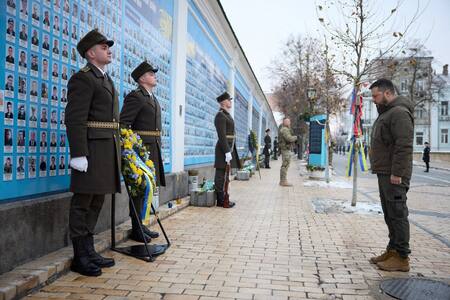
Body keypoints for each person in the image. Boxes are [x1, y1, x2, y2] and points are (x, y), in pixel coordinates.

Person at [65, 29, 119, 276]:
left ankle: (88, 250)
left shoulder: (106, 79)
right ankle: (79, 255)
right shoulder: (83, 78)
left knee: (96, 200)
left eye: (108, 46)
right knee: (82, 202)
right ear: (90, 53)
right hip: (90, 150)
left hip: (105, 150)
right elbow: (75, 118)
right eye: (103, 46)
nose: (108, 49)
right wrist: (78, 153)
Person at [369, 78, 414, 272]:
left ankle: (402, 257)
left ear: (388, 93)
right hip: (385, 172)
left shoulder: (399, 113)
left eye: (376, 95)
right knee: (389, 213)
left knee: (397, 213)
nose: (373, 99)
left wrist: (397, 172)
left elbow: (403, 146)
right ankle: (392, 250)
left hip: (394, 174)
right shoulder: (388, 113)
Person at [120, 61, 165, 243]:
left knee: (146, 189)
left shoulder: (152, 98)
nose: (154, 75)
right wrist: (131, 149)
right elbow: (123, 124)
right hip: (141, 151)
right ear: (142, 78)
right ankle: (136, 228)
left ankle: (141, 225)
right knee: (138, 188)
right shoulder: (136, 97)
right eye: (150, 73)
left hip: (152, 148)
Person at [213, 92, 241, 208]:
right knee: (220, 174)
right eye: (229, 100)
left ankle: (224, 197)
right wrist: (227, 151)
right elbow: (222, 135)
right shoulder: (220, 116)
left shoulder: (226, 115)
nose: (230, 102)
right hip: (223, 149)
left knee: (225, 174)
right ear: (223, 102)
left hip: (228, 147)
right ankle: (220, 200)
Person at [279, 118, 297, 186]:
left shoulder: (285, 129)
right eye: (288, 121)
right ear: (285, 122)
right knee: (285, 165)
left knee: (286, 165)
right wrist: (296, 137)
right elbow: (289, 139)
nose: (290, 123)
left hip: (286, 149)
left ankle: (283, 180)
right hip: (285, 149)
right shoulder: (285, 130)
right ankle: (283, 181)